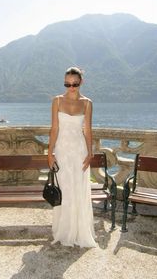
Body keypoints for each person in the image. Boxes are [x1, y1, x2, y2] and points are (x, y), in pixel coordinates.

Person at [48, 66, 97, 248]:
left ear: (80, 82)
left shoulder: (87, 103)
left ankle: (79, 231)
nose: (71, 87)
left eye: (74, 84)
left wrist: (90, 152)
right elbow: (54, 129)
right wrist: (49, 152)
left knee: (78, 188)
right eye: (67, 84)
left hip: (79, 151)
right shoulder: (57, 101)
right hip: (61, 150)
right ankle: (64, 230)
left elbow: (88, 130)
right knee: (65, 190)